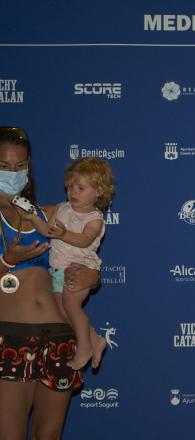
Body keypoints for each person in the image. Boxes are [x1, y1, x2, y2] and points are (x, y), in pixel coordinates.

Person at [0, 126, 101, 440]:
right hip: (10, 337)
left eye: (20, 166)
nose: (13, 174)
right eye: (4, 166)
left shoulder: (44, 212)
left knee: (49, 433)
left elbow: (83, 251)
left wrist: (92, 276)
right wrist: (8, 261)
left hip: (59, 336)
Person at [22, 157, 113, 370]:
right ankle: (95, 339)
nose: (73, 192)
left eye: (81, 188)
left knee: (71, 305)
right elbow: (47, 231)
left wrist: (64, 233)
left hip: (80, 268)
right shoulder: (62, 208)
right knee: (61, 310)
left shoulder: (94, 219)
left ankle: (85, 347)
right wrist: (33, 219)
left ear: (98, 191)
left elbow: (84, 240)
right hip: (57, 269)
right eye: (70, 186)